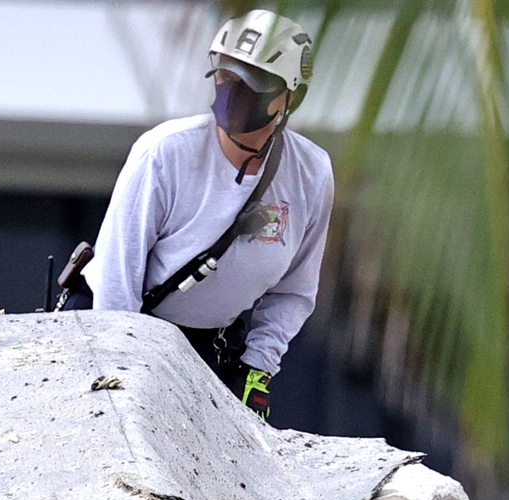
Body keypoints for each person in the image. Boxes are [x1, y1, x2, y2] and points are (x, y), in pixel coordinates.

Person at [78, 9, 333, 424]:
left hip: (209, 348)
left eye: (255, 84)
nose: (236, 92)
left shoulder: (311, 173)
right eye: (227, 77)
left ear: (289, 98)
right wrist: (121, 371)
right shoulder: (164, 152)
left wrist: (257, 371)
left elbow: (294, 290)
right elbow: (116, 280)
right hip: (118, 330)